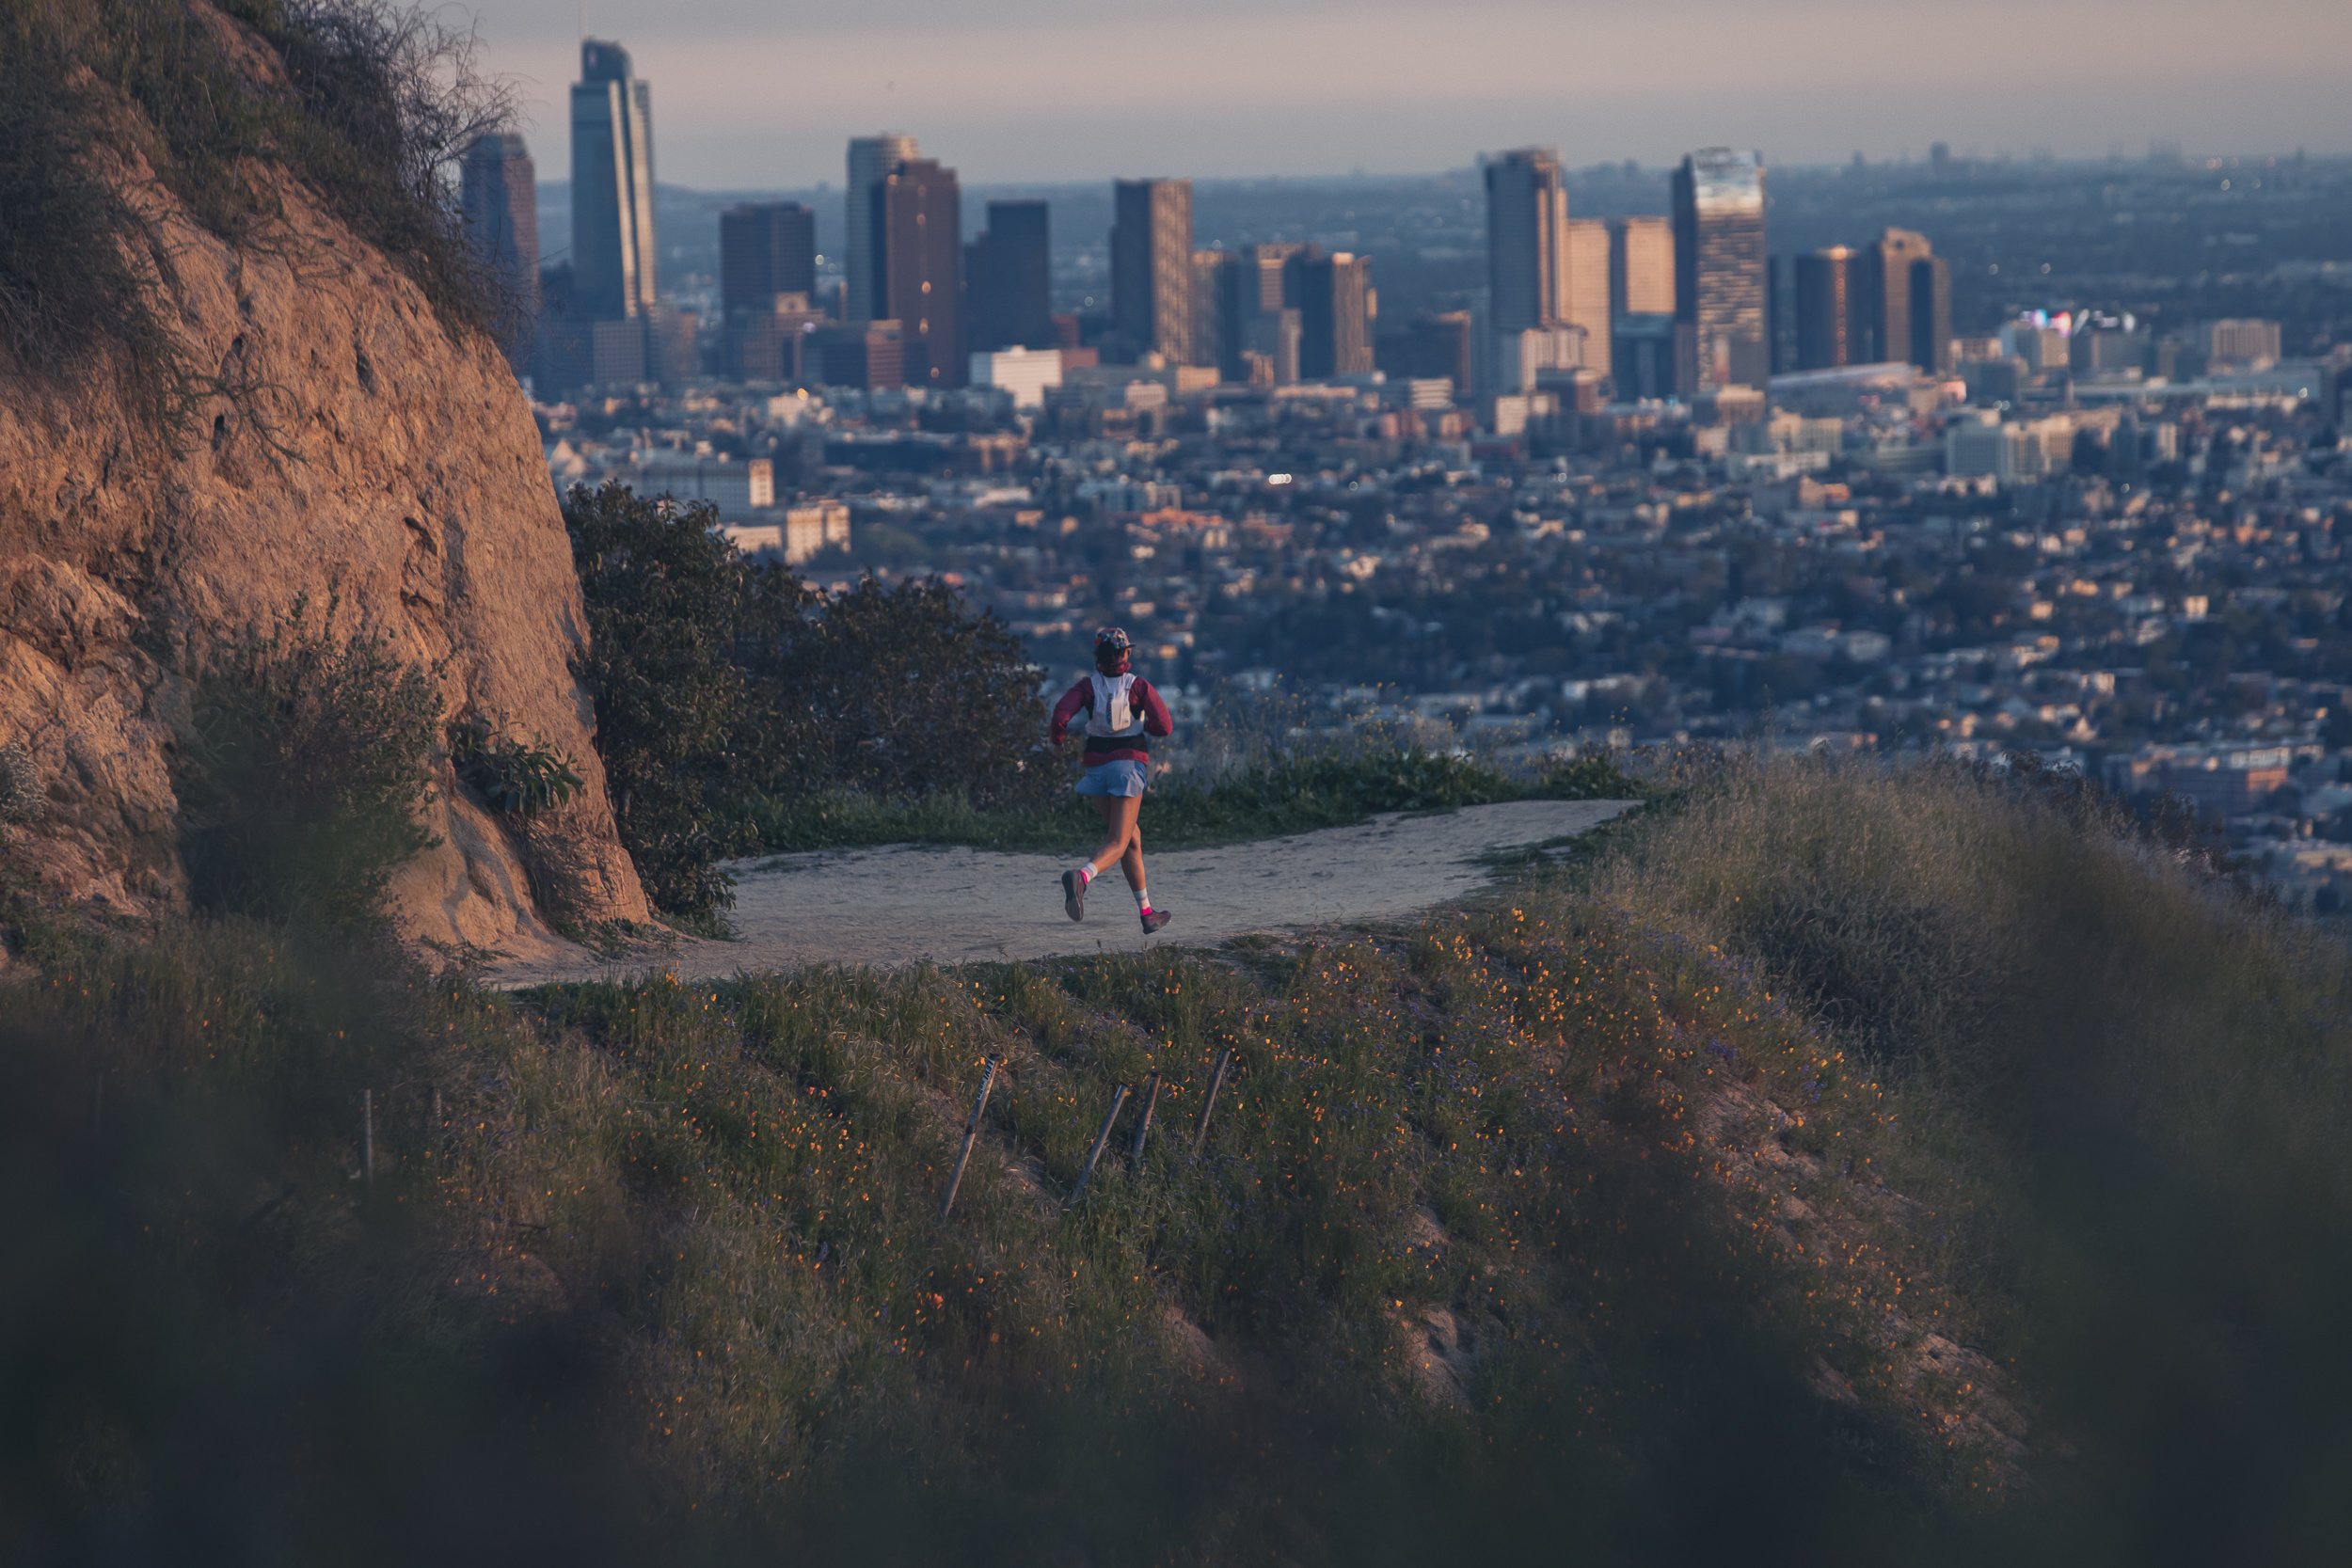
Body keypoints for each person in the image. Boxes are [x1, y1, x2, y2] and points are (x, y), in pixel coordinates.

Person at [1049, 626, 1174, 933]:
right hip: (1128, 768)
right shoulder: (1138, 687)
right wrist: (1147, 729)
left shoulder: (1087, 686)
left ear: (1098, 656)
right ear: (1126, 653)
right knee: (1118, 841)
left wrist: (1059, 737)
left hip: (1096, 771)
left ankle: (1147, 913)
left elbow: (1060, 714)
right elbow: (1164, 725)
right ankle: (1082, 877)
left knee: (1131, 838)